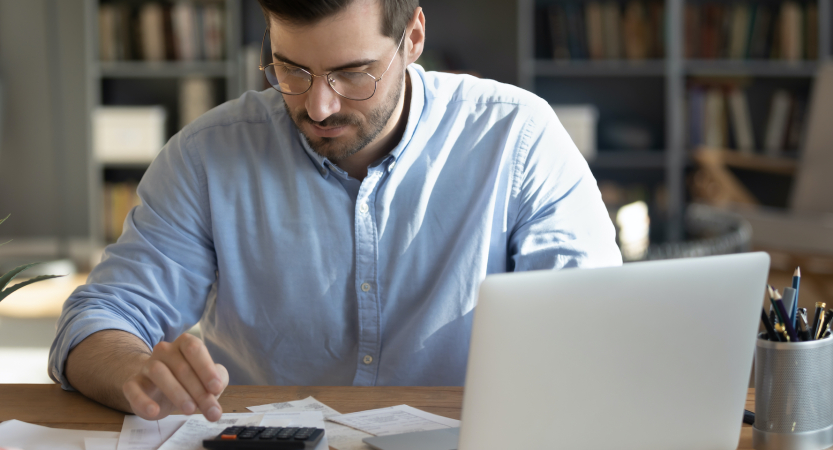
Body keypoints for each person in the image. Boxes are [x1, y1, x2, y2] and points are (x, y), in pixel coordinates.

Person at [49, 0, 622, 422]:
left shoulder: (516, 138)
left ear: (413, 37)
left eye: (353, 73)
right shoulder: (208, 154)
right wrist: (134, 370)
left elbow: (596, 331)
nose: (318, 106)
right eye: (291, 69)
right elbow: (95, 321)